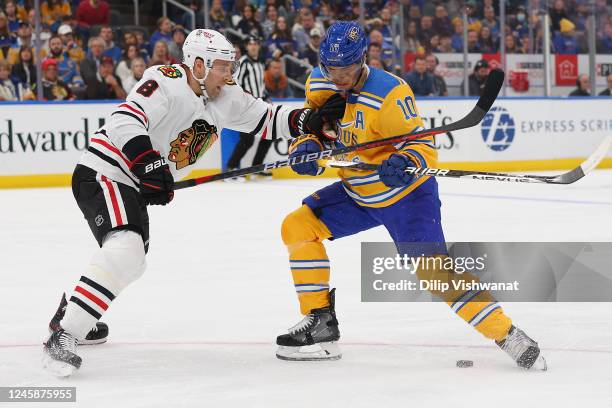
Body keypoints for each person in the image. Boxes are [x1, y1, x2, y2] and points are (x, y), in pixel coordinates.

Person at [42, 28, 345, 377]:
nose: (228, 73)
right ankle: (65, 335)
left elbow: (266, 119)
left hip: (132, 183)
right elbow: (125, 119)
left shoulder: (224, 95)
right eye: (222, 66)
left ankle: (75, 315)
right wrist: (148, 163)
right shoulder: (165, 80)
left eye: (230, 66)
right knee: (127, 249)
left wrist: (308, 119)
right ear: (198, 64)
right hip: (105, 172)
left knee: (131, 260)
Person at [274, 21, 547, 372]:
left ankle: (507, 333)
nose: (338, 76)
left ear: (363, 60)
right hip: (359, 193)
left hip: (406, 197)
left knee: (435, 273)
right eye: (332, 68)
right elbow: (318, 128)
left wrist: (406, 159)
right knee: (297, 226)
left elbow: (422, 144)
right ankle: (320, 322)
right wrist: (307, 145)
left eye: (347, 69)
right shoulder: (318, 82)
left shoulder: (390, 93)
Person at [226, 36, 272, 180]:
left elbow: (261, 85)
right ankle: (231, 170)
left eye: (255, 44)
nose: (253, 47)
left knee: (269, 135)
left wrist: (266, 97)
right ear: (247, 47)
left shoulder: (260, 63)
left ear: (258, 46)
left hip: (260, 105)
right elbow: (236, 84)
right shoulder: (243, 63)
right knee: (247, 139)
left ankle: (256, 168)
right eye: (250, 44)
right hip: (247, 106)